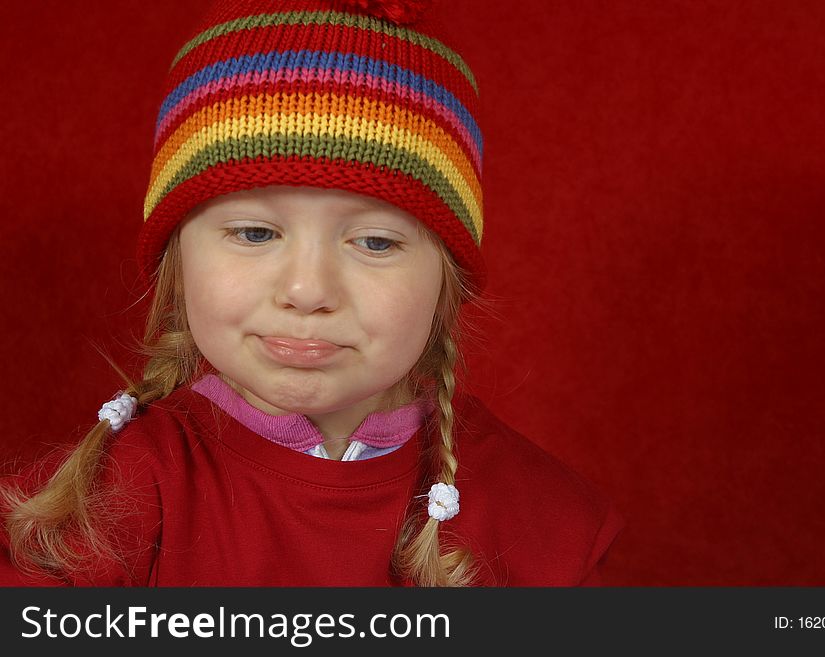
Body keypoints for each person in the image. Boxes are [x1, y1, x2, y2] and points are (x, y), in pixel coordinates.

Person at [0, 0, 623, 586]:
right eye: (253, 232)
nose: (306, 291)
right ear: (177, 261)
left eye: (376, 243)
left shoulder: (544, 520)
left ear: (446, 281)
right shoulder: (97, 508)